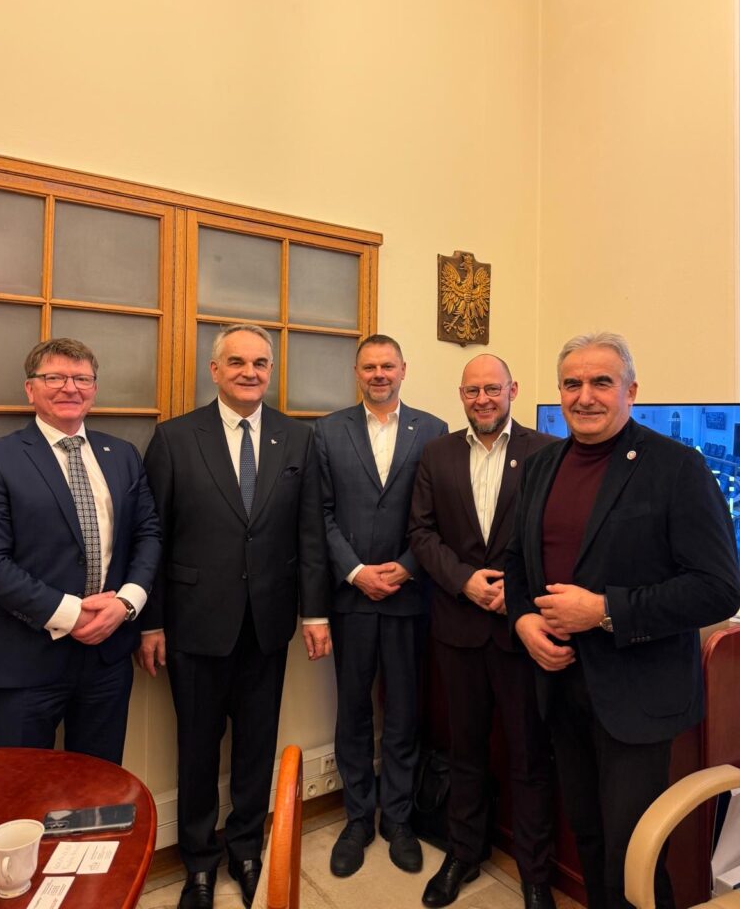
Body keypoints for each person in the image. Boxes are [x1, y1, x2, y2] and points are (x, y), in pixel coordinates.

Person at [505, 331, 740, 909]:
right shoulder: (540, 466)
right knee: (586, 833)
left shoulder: (677, 468)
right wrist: (524, 622)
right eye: (572, 384)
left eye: (601, 382)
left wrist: (605, 611)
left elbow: (718, 588)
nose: (584, 396)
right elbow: (516, 563)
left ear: (631, 391)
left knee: (634, 854)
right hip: (560, 684)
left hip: (637, 697)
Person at [137, 324, 330, 909]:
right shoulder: (174, 438)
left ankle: (247, 849)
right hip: (194, 623)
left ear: (270, 371)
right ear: (215, 370)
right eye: (238, 362)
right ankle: (198, 861)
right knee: (197, 748)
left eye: (260, 363)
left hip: (268, 623)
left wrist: (315, 613)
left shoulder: (297, 439)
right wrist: (151, 621)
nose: (250, 372)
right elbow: (153, 537)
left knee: (256, 745)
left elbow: (310, 533)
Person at [409, 354, 557, 909]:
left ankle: (536, 875)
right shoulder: (437, 453)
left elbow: (554, 537)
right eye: (472, 391)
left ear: (512, 390)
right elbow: (421, 533)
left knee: (529, 757)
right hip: (458, 627)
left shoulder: (547, 452)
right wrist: (465, 582)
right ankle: (463, 853)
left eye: (492, 389)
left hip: (522, 632)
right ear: (461, 395)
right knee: (465, 750)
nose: (483, 400)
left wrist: (513, 592)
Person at [0, 337, 160, 764]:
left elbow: (148, 534)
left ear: (94, 389)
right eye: (54, 378)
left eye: (82, 379)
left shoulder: (123, 455)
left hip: (109, 655)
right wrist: (71, 614)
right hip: (25, 656)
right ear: (30, 389)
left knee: (100, 786)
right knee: (18, 786)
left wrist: (126, 603)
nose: (70, 388)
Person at [314, 334, 447, 879]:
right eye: (369, 366)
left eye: (387, 365)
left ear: (403, 370)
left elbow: (440, 514)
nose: (378, 374)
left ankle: (398, 818)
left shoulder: (433, 430)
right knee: (352, 712)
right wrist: (355, 571)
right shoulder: (327, 431)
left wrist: (408, 566)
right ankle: (357, 819)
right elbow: (320, 513)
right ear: (357, 372)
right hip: (352, 598)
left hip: (409, 596)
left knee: (404, 713)